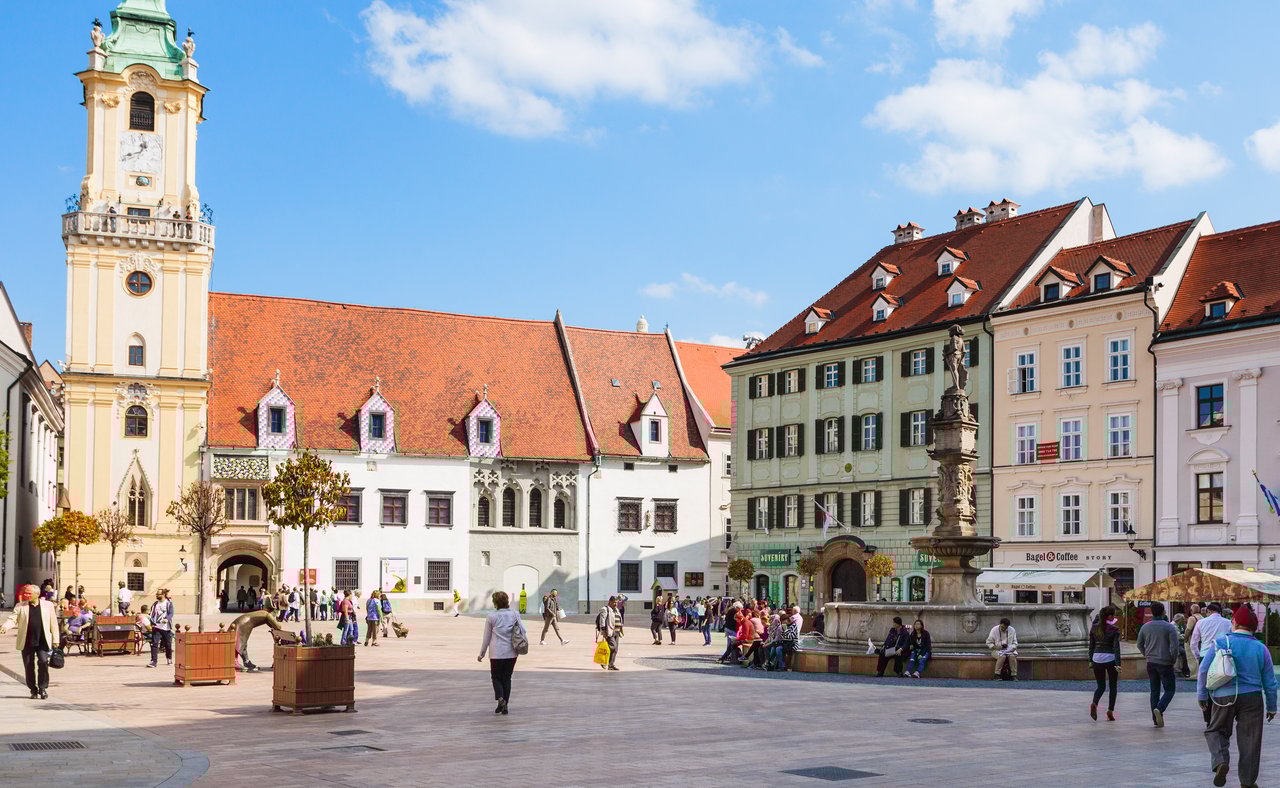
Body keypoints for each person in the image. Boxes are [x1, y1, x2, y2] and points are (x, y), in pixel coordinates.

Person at [1198, 605, 1278, 788]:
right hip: (1252, 698)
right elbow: (1270, 682)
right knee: (1250, 740)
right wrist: (1272, 706)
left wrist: (1202, 695)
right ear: (1253, 627)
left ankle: (1221, 762)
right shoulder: (1261, 648)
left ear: (1234, 622)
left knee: (1215, 730)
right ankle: (1248, 782)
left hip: (1223, 696)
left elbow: (1203, 670)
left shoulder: (1220, 642)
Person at [0, 585, 60, 699]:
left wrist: (56, 640)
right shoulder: (20, 606)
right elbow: (12, 619)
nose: (26, 595)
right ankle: (33, 689)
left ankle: (42, 688)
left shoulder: (48, 605)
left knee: (43, 662)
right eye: (25, 593)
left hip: (43, 640)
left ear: (37, 594)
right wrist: (5, 627)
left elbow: (53, 623)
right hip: (27, 641)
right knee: (28, 666)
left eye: (29, 593)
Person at [479, 590, 527, 714]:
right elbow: (523, 629)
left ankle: (500, 699)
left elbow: (487, 636)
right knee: (507, 678)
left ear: (495, 602)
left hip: (496, 652)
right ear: (507, 601)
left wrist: (482, 652)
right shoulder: (515, 614)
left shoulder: (491, 616)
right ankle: (505, 704)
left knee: (496, 677)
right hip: (511, 651)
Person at [1137, 600, 1181, 727]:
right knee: (1170, 690)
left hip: (1151, 662)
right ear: (1163, 612)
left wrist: (1147, 654)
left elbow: (1139, 644)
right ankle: (1160, 709)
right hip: (1165, 662)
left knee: (1154, 690)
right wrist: (1173, 659)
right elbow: (1174, 647)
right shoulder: (1169, 627)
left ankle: (1155, 719)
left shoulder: (1145, 626)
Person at [1088, 605, 1121, 721]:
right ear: (1110, 616)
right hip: (1110, 658)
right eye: (1114, 615)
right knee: (1113, 687)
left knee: (1100, 686)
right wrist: (1118, 663)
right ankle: (1110, 711)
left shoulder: (1094, 628)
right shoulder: (1115, 629)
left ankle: (1094, 703)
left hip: (1096, 658)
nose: (1115, 617)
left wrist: (1090, 660)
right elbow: (1116, 647)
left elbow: (1091, 646)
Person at [1192, 603, 1233, 668]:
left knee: (1205, 677)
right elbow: (1232, 639)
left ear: (1208, 611)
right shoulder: (1228, 622)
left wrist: (1197, 655)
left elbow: (1193, 643)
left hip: (1205, 654)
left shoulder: (1200, 622)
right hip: (1223, 656)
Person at [147, 588, 174, 668]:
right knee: (154, 644)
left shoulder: (168, 603)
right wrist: (152, 622)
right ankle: (153, 661)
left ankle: (169, 657)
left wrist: (167, 619)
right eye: (156, 594)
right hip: (156, 627)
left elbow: (171, 613)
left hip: (166, 628)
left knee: (168, 645)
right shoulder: (155, 604)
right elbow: (151, 613)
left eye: (158, 594)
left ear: (163, 595)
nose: (157, 595)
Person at [595, 595, 623, 671]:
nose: (615, 604)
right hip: (609, 631)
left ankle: (611, 665)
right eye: (614, 602)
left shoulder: (616, 609)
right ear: (609, 602)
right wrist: (603, 631)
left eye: (616, 602)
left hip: (617, 632)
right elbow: (602, 620)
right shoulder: (605, 609)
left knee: (615, 649)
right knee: (613, 646)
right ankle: (604, 661)